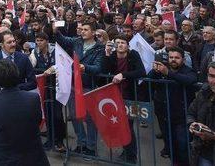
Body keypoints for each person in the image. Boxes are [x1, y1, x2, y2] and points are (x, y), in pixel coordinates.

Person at [0, 59, 50, 166]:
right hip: (33, 157)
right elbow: (37, 121)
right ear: (16, 74)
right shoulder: (33, 98)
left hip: (5, 159)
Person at [53, 21, 103, 157]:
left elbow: (99, 68)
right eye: (82, 29)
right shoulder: (77, 41)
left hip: (88, 87)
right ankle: (81, 143)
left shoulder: (99, 48)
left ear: (93, 33)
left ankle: (91, 147)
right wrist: (56, 31)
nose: (82, 31)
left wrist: (85, 67)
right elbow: (63, 40)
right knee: (75, 116)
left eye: (86, 29)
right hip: (74, 84)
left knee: (90, 119)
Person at [100, 34, 146, 163]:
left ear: (128, 45)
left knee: (129, 126)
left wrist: (123, 74)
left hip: (131, 96)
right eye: (118, 42)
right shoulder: (112, 56)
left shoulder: (133, 55)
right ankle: (125, 151)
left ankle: (132, 156)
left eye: (123, 43)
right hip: (115, 96)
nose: (120, 45)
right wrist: (107, 54)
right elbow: (103, 71)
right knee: (119, 125)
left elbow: (141, 72)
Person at [148, 46, 197, 165]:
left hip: (182, 115)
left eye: (176, 58)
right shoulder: (163, 68)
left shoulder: (188, 70)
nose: (173, 60)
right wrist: (155, 71)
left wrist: (168, 73)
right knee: (170, 144)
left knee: (182, 144)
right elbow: (149, 79)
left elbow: (190, 80)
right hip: (164, 113)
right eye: (171, 57)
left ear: (183, 60)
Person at [29, 31, 66, 152]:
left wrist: (53, 68)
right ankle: (50, 139)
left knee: (57, 114)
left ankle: (60, 140)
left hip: (57, 86)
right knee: (47, 113)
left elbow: (63, 63)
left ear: (47, 41)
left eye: (41, 40)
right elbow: (31, 65)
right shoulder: (34, 52)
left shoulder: (56, 50)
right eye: (37, 41)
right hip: (44, 88)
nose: (39, 43)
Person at [0, 31, 36, 99]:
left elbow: (33, 83)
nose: (13, 44)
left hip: (19, 99)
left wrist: (15, 89)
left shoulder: (23, 58)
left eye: (13, 41)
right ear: (1, 45)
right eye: (9, 42)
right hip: (0, 101)